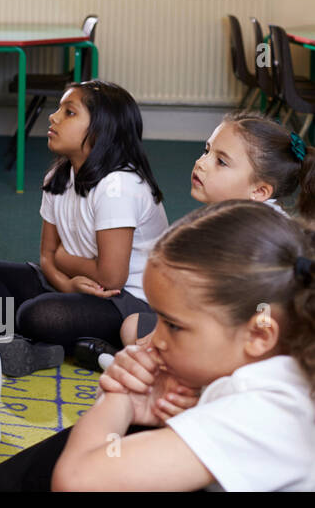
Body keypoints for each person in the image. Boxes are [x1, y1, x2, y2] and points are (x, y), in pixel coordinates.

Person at [0, 201, 315, 492]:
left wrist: (120, 398)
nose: (154, 339)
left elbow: (79, 480)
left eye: (173, 326)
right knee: (140, 428)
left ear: (260, 335)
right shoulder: (278, 367)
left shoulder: (266, 408)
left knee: (123, 430)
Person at [0, 81, 168, 376]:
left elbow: (111, 278)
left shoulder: (118, 186)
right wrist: (65, 283)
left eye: (69, 112)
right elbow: (46, 257)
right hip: (73, 283)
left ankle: (28, 338)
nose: (53, 117)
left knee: (37, 314)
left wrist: (63, 260)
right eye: (59, 109)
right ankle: (16, 344)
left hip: (125, 299)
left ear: (100, 132)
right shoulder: (58, 177)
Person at [96, 112, 315, 363]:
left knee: (159, 336)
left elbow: (253, 308)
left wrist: (177, 331)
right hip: (233, 325)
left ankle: (168, 373)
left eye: (221, 161)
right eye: (206, 150)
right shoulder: (231, 216)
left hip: (265, 338)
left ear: (259, 190)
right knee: (133, 326)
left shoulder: (256, 234)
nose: (202, 163)